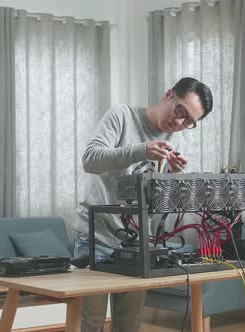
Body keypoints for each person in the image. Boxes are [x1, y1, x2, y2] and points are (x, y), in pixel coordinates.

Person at [73, 77, 213, 331]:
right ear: (169, 93)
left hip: (138, 243)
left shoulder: (177, 141)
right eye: (180, 110)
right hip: (97, 236)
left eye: (189, 122)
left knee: (129, 324)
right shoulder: (122, 115)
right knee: (92, 323)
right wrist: (142, 150)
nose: (179, 122)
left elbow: (160, 204)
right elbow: (90, 160)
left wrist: (174, 177)